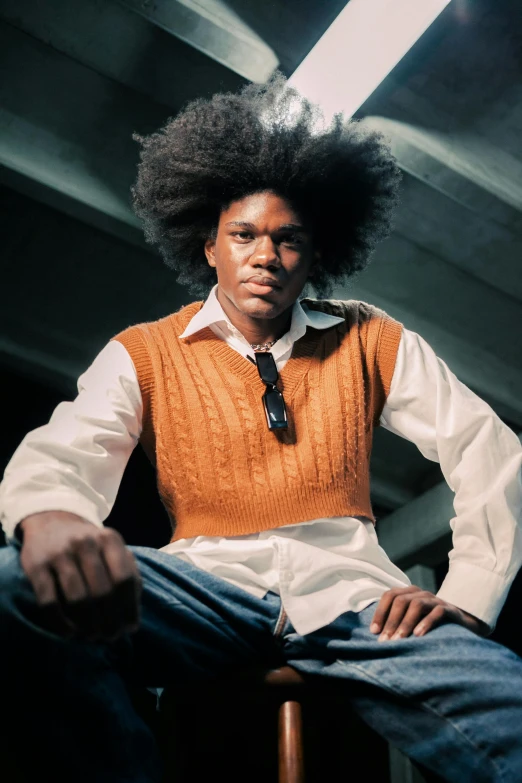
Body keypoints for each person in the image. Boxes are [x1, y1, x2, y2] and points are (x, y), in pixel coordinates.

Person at [1, 73, 521, 783]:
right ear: (208, 244)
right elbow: (69, 447)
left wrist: (467, 595)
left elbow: (488, 448)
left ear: (317, 251)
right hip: (203, 592)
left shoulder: (371, 335)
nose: (265, 257)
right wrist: (51, 515)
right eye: (243, 234)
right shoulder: (144, 350)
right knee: (14, 586)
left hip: (358, 601)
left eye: (289, 240)